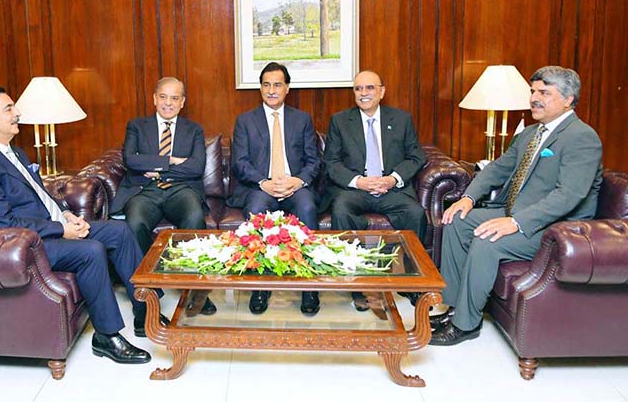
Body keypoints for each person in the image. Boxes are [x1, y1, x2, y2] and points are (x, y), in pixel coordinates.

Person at [0, 85, 167, 365]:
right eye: (9, 108)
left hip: (52, 227)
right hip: (26, 244)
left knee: (119, 230)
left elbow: (41, 197)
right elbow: (3, 223)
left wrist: (66, 214)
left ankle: (145, 311)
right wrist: (61, 230)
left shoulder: (15, 153)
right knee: (91, 250)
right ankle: (106, 336)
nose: (17, 113)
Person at [430, 66, 603, 346]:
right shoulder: (531, 134)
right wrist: (468, 198)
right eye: (533, 91)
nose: (534, 98)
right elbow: (498, 168)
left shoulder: (581, 137)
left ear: (568, 99)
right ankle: (453, 308)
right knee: (456, 221)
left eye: (544, 93)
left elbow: (569, 195)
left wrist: (516, 222)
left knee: (487, 241)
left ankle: (465, 325)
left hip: (555, 228)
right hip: (516, 212)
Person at [321, 70, 427, 311]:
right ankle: (357, 283)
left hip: (391, 188)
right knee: (341, 209)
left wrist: (393, 178)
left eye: (369, 88)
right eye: (358, 89)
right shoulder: (340, 120)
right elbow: (331, 163)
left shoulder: (401, 119)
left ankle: (409, 281)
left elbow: (416, 156)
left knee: (416, 213)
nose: (364, 93)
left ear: (382, 91)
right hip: (356, 189)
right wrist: (359, 181)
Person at [110, 77, 215, 315]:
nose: (168, 103)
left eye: (175, 98)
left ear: (182, 102)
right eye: (164, 97)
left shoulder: (194, 129)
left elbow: (196, 167)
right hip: (144, 189)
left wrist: (154, 165)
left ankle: (193, 289)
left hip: (181, 188)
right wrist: (170, 160)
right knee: (134, 222)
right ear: (155, 99)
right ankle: (150, 288)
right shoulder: (136, 126)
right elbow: (131, 160)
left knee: (194, 216)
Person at [227, 62, 321, 315]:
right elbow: (240, 163)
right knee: (256, 207)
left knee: (308, 207)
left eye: (277, 85)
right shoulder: (245, 121)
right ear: (260, 88)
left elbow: (314, 161)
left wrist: (297, 181)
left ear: (287, 88)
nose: (271, 90)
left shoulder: (302, 119)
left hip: (294, 185)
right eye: (266, 85)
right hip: (261, 186)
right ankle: (260, 284)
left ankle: (308, 286)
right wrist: (264, 182)